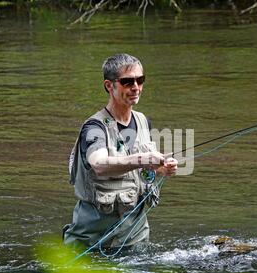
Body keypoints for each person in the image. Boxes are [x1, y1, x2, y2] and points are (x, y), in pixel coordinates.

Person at [63, 53, 178, 250]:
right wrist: (143, 159)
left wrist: (162, 168)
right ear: (110, 86)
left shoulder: (143, 121)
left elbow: (141, 172)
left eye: (140, 80)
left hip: (136, 240)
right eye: (127, 81)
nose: (136, 87)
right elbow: (99, 165)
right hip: (92, 244)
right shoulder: (94, 128)